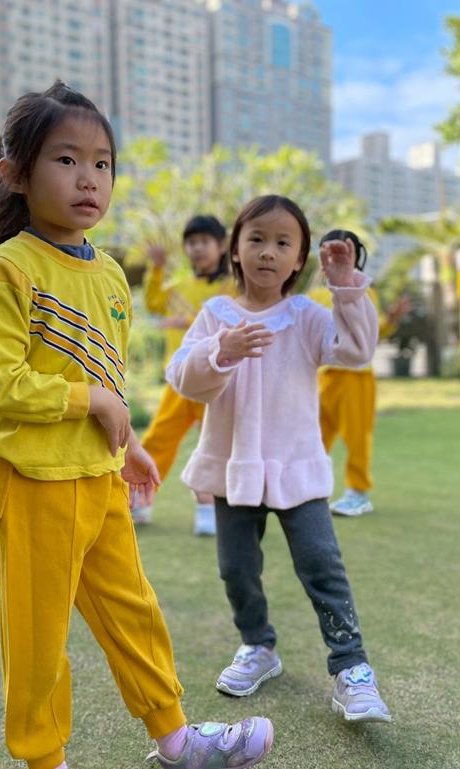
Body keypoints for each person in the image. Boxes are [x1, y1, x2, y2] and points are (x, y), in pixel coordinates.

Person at [0, 82, 273, 769]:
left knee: (133, 611)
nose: (89, 178)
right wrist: (92, 405)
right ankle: (44, 758)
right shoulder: (6, 268)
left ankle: (176, 739)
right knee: (38, 638)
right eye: (66, 159)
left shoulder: (109, 274)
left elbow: (107, 373)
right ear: (16, 173)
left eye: (102, 163)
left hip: (99, 478)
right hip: (29, 482)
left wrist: (127, 443)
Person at [167, 195, 392, 722]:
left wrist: (346, 287)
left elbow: (356, 350)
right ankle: (258, 645)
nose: (268, 251)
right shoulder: (216, 315)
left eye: (283, 242)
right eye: (257, 239)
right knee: (236, 569)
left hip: (297, 468)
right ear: (236, 251)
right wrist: (221, 350)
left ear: (299, 260)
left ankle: (351, 667)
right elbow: (182, 377)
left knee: (322, 566)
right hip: (234, 471)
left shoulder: (306, 315)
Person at [132, 215, 237, 533]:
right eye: (191, 243)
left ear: (222, 246)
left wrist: (188, 321)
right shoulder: (178, 288)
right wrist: (157, 268)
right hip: (179, 381)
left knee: (215, 445)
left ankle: (209, 506)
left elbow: (233, 323)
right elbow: (154, 302)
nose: (197, 249)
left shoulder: (231, 288)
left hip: (216, 382)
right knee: (157, 440)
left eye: (204, 242)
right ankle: (140, 500)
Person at [307, 229, 408, 516]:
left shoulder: (364, 292)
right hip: (322, 377)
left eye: (344, 249)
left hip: (356, 377)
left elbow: (370, 335)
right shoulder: (312, 295)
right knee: (313, 436)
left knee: (356, 437)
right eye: (330, 250)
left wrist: (391, 320)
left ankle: (358, 492)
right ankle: (309, 488)